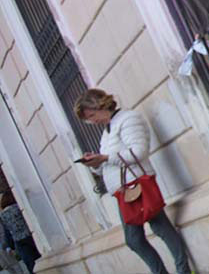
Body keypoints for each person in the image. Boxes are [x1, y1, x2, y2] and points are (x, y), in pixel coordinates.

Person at [74, 89, 192, 274]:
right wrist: (94, 163)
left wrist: (105, 158)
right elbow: (109, 162)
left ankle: (182, 270)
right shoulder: (108, 130)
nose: (91, 121)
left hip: (136, 185)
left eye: (91, 115)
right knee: (141, 236)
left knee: (152, 231)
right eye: (88, 119)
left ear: (100, 105)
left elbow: (138, 152)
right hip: (125, 191)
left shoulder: (128, 119)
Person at [0, 191, 38, 273]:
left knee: (30, 263)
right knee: (39, 257)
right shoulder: (19, 207)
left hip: (19, 241)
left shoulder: (3, 215)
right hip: (30, 235)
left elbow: (7, 231)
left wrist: (9, 245)